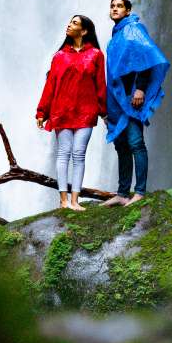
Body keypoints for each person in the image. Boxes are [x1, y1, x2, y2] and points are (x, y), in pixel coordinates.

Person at [102, 0, 169, 205]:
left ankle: (139, 192)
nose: (115, 9)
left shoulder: (133, 29)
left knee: (135, 143)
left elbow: (144, 59)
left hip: (131, 97)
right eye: (112, 6)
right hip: (117, 99)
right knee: (121, 145)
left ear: (128, 10)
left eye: (119, 6)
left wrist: (140, 88)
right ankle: (122, 194)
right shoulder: (117, 35)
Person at [36, 14, 106, 210]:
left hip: (86, 111)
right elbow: (50, 85)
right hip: (62, 111)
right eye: (69, 22)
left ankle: (75, 200)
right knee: (63, 153)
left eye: (74, 23)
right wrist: (42, 112)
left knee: (79, 154)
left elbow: (101, 85)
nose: (69, 25)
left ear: (84, 31)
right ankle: (64, 200)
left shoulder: (96, 55)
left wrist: (104, 112)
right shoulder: (59, 56)